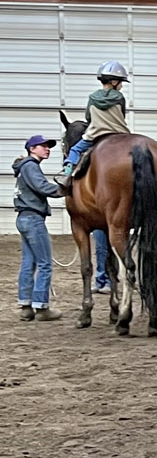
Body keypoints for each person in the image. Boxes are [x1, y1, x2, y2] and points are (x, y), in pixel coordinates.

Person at [12, 134, 64, 321]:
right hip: (33, 219)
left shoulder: (24, 167)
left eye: (48, 146)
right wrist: (64, 189)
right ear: (31, 149)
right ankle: (42, 308)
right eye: (42, 146)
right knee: (44, 264)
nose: (47, 148)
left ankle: (26, 307)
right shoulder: (31, 166)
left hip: (24, 218)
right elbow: (42, 187)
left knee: (29, 263)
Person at [58, 60, 130, 191]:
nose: (121, 86)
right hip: (119, 134)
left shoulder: (92, 97)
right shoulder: (120, 97)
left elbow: (88, 118)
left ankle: (66, 175)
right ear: (113, 82)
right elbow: (122, 116)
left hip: (95, 134)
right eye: (121, 82)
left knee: (75, 149)